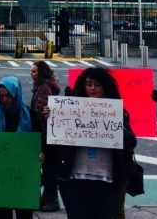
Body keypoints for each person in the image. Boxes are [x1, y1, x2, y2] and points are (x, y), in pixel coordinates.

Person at [48, 68, 137, 219]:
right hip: (74, 179)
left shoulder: (115, 110)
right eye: (88, 84)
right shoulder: (71, 108)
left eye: (97, 84)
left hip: (107, 179)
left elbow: (131, 141)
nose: (92, 88)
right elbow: (55, 141)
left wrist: (116, 124)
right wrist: (52, 117)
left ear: (105, 86)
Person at [0, 75, 38, 219]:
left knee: (24, 213)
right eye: (1, 96)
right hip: (0, 176)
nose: (4, 100)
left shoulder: (31, 116)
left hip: (23, 176)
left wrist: (41, 154)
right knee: (2, 213)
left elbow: (40, 143)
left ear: (16, 94)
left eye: (8, 96)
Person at [30, 61, 61, 212]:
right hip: (48, 133)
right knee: (48, 167)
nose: (31, 74)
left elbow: (39, 111)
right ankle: (48, 198)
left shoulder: (44, 88)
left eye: (34, 71)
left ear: (41, 73)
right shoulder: (44, 86)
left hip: (45, 134)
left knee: (47, 168)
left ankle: (51, 200)